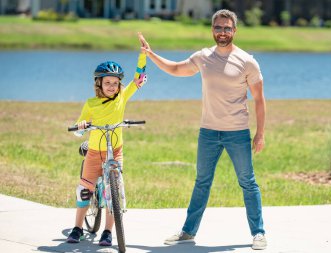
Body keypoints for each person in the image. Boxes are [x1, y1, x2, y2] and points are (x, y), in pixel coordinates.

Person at [138, 9, 267, 250]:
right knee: (202, 182)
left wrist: (260, 134)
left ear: (235, 31)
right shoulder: (204, 57)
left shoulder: (247, 61)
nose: (222, 32)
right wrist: (152, 54)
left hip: (237, 132)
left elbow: (259, 99)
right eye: (218, 27)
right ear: (212, 30)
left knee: (248, 182)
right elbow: (176, 69)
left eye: (227, 28)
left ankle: (258, 233)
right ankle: (188, 231)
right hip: (208, 132)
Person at [66, 51, 147, 246]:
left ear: (119, 84)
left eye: (115, 83)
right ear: (99, 84)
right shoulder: (91, 103)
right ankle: (77, 227)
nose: (112, 86)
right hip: (94, 152)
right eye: (107, 82)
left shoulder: (122, 97)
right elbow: (78, 129)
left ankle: (108, 231)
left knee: (114, 192)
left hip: (115, 151)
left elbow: (140, 78)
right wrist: (82, 125)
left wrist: (143, 55)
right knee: (85, 190)